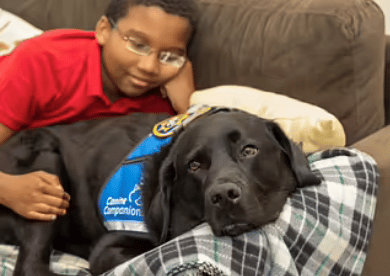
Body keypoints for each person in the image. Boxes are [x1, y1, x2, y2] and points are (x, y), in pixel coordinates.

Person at [0, 0, 199, 222]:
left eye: (170, 56)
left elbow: (195, 165)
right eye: (138, 45)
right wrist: (7, 189)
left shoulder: (162, 99)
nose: (149, 67)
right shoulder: (43, 62)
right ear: (104, 30)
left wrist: (186, 107)